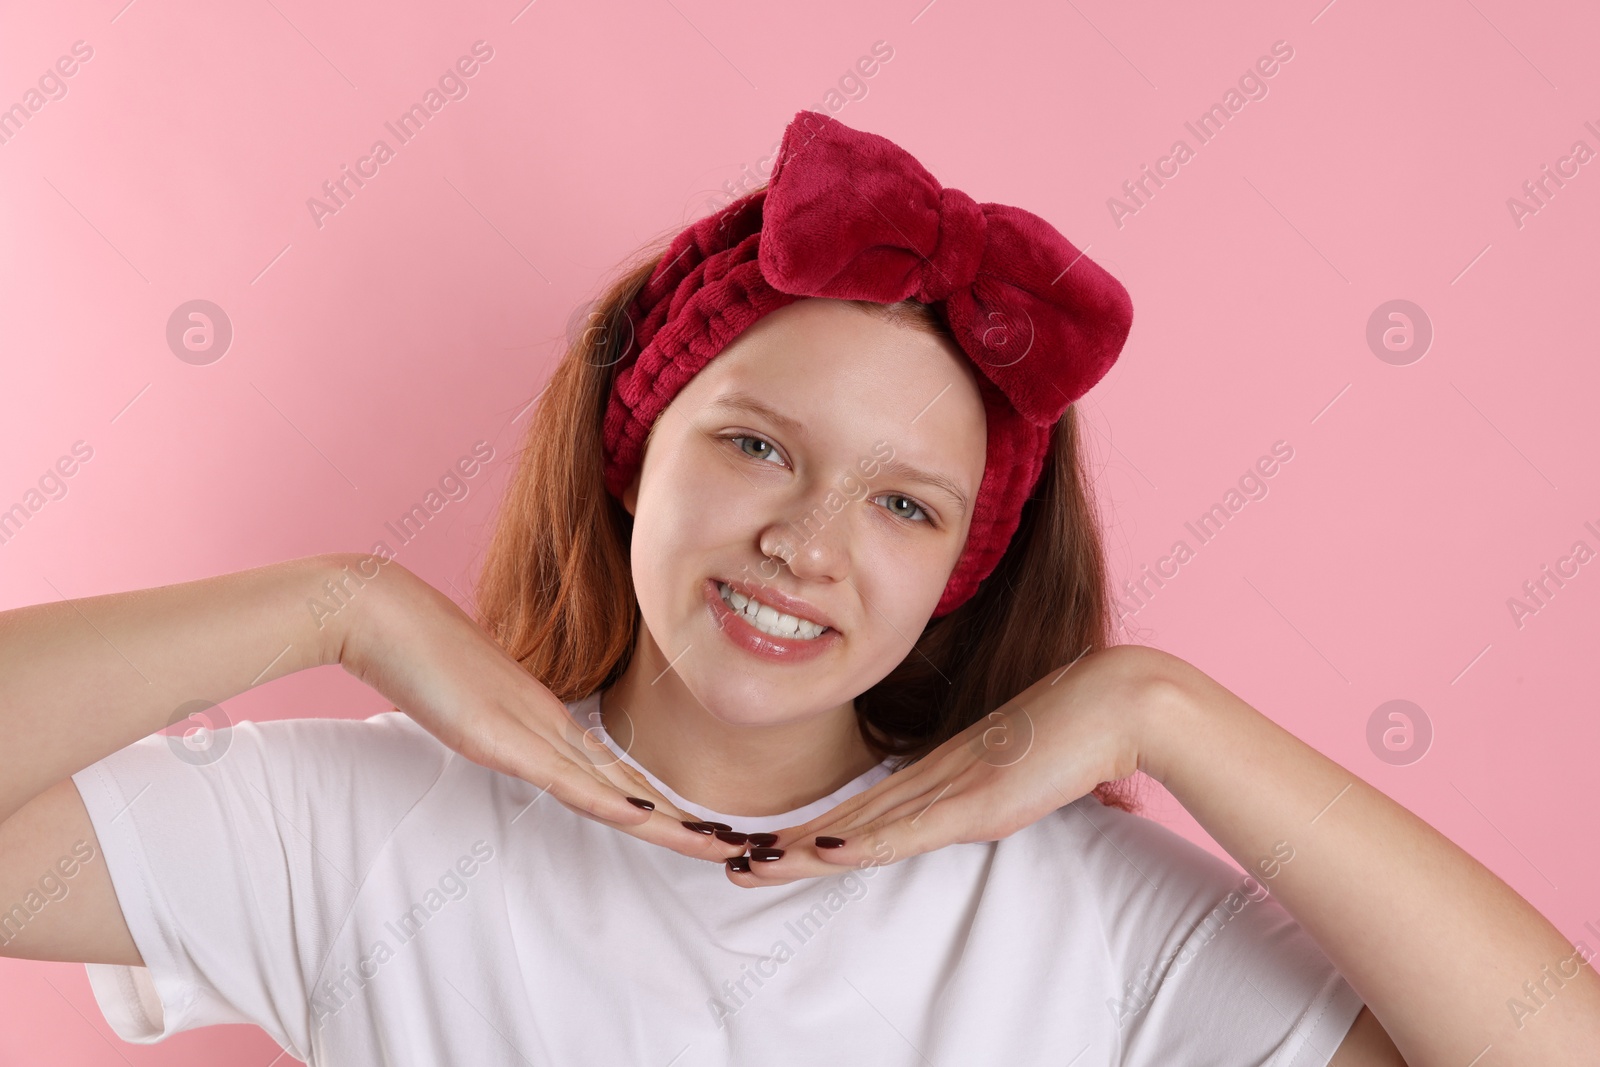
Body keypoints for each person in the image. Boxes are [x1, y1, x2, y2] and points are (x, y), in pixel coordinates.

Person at [0, 109, 1593, 1066]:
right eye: (757, 447)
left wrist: (1155, 709)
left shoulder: (1071, 914)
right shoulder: (351, 836)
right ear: (636, 445)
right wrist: (341, 606)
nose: (807, 543)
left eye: (904, 503)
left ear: (959, 570)